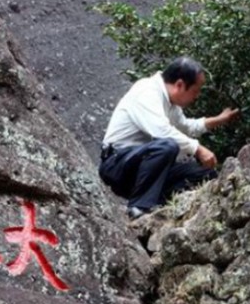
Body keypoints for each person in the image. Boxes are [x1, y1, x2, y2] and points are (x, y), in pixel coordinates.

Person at [99, 57, 239, 219]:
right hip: (117, 164)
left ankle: (158, 208)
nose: (197, 96)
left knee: (204, 174)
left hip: (142, 169)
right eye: (195, 90)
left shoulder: (171, 103)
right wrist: (198, 149)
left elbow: (187, 127)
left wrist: (220, 119)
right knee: (167, 146)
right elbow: (162, 132)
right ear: (180, 85)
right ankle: (138, 209)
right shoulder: (147, 91)